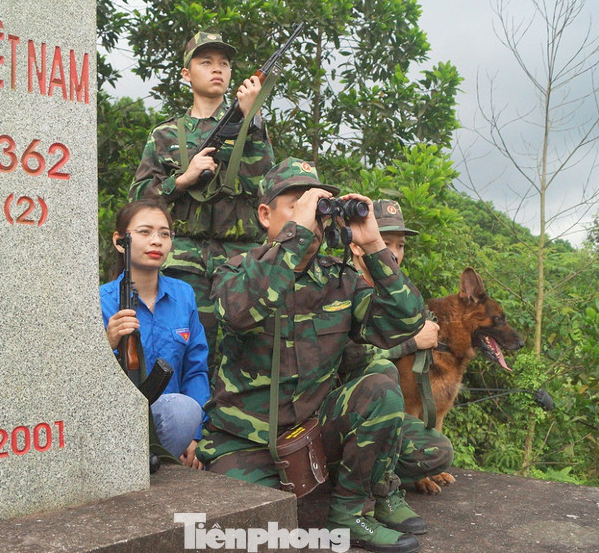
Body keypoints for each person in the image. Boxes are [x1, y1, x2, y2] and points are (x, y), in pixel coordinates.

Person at [197, 159, 428, 553]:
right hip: (245, 443)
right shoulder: (235, 270)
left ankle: (349, 515)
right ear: (265, 215)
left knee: (381, 387)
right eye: (297, 203)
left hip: (313, 434)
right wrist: (297, 236)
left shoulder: (338, 279)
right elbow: (237, 313)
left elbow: (404, 321)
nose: (312, 214)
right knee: (248, 536)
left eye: (316, 204)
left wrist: (373, 245)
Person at [129, 30, 275, 384]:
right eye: (205, 62)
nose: (217, 70)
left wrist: (251, 117)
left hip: (241, 260)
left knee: (247, 354)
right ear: (186, 74)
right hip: (184, 260)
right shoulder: (166, 134)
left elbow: (268, 185)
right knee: (179, 351)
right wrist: (182, 179)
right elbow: (139, 201)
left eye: (224, 63)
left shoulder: (251, 127)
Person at [342, 200, 454, 492]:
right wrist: (412, 342)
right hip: (343, 411)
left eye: (400, 245)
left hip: (388, 411)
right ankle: (362, 488)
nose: (394, 253)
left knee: (438, 452)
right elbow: (346, 357)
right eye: (385, 242)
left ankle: (397, 475)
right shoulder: (341, 286)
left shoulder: (396, 293)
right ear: (357, 245)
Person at [100, 199, 209, 468]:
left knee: (183, 410)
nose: (156, 241)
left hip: (170, 423)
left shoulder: (183, 295)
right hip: (112, 428)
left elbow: (195, 370)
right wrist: (107, 342)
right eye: (145, 232)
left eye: (164, 234)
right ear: (119, 241)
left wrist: (194, 437)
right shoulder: (99, 301)